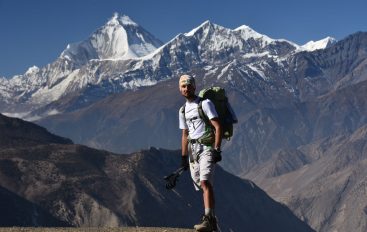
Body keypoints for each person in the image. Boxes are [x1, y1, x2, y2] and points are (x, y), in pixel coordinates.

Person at [178, 74, 222, 231]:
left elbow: (217, 126)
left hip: (207, 149)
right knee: (202, 185)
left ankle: (208, 219)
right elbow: (185, 134)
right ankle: (212, 221)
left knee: (205, 182)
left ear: (194, 87)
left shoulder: (205, 103)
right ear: (180, 89)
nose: (186, 88)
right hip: (193, 151)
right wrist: (184, 157)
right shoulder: (182, 111)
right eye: (183, 86)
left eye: (189, 85)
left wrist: (216, 149)